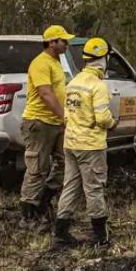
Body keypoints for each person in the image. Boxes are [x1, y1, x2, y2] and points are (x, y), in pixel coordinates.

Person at [53, 37, 117, 247]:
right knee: (94, 189)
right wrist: (112, 122)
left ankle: (60, 233)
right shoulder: (97, 86)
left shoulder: (74, 82)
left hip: (71, 143)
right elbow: (102, 118)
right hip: (91, 146)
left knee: (70, 187)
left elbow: (66, 115)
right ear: (103, 59)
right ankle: (100, 236)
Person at [19, 24, 74, 222]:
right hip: (39, 123)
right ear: (52, 43)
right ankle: (28, 214)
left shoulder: (57, 62)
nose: (67, 44)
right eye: (63, 41)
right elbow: (45, 94)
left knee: (65, 163)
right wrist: (64, 116)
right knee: (37, 169)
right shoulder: (40, 63)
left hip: (56, 123)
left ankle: (44, 201)